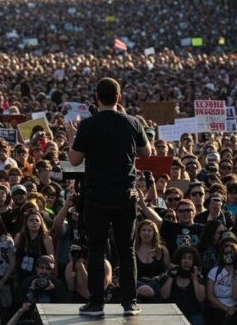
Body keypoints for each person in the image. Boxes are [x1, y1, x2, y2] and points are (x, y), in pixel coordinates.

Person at [67, 77, 153, 317]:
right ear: (119, 98)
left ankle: (96, 303)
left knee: (96, 250)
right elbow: (147, 152)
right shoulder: (132, 122)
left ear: (96, 98)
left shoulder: (87, 125)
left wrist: (69, 137)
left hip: (97, 197)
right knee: (126, 249)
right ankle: (129, 302)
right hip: (125, 196)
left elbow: (74, 160)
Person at [205, 240, 237, 325]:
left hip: (234, 315)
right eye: (225, 253)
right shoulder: (215, 271)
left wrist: (233, 274)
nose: (228, 255)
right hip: (216, 312)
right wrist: (226, 309)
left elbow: (235, 296)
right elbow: (210, 296)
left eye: (231, 253)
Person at [159, 246, 205, 325]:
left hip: (194, 317)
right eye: (184, 258)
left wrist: (194, 278)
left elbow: (200, 298)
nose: (186, 261)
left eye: (190, 259)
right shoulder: (170, 276)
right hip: (173, 317)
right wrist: (171, 276)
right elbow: (164, 295)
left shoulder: (199, 278)